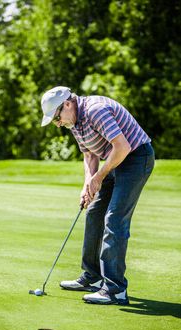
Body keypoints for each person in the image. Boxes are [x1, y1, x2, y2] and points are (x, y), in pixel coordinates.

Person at [40, 86, 155, 305]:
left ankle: (115, 290)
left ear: (67, 104)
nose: (58, 123)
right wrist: (88, 183)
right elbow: (89, 154)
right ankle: (92, 277)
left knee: (114, 218)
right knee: (93, 212)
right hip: (116, 160)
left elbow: (122, 147)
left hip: (136, 157)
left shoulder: (95, 111)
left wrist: (99, 177)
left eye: (57, 117)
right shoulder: (74, 121)